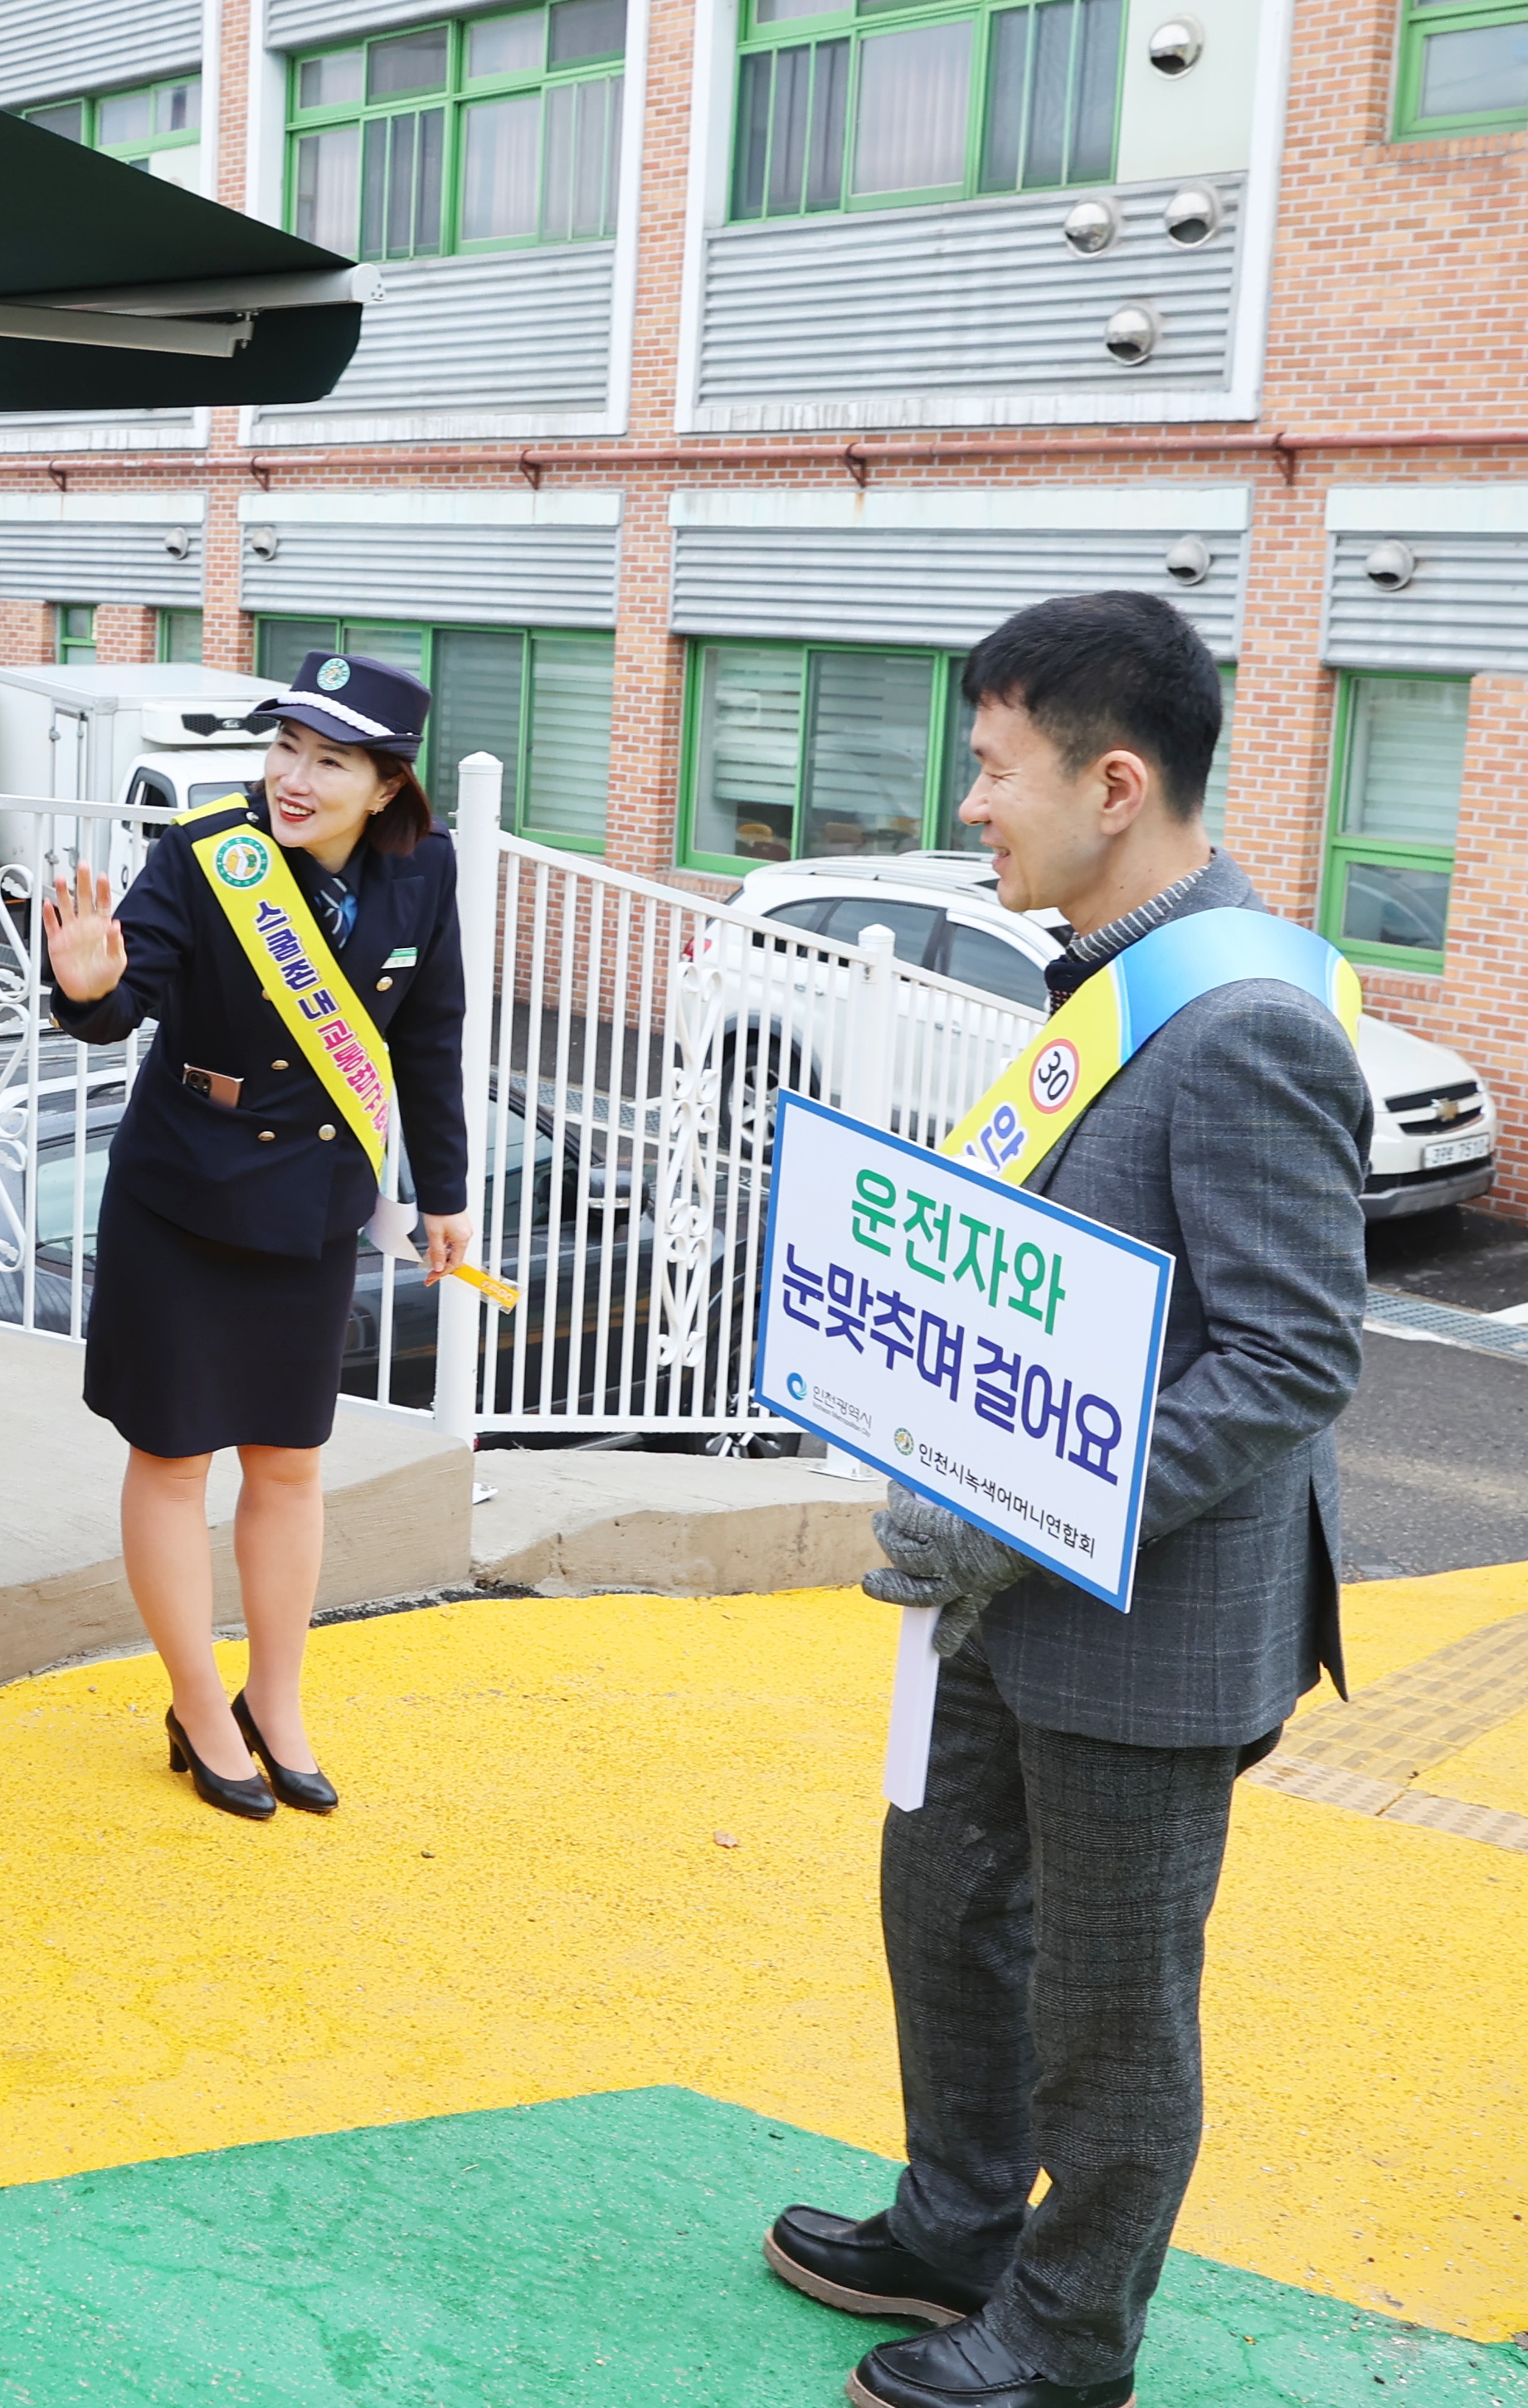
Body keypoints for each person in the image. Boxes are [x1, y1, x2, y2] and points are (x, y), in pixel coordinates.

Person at [759, 592, 1369, 2408]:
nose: (967, 804)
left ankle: (1068, 2333)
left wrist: (1013, 1511)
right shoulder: (1106, 977)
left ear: (1114, 784)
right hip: (1005, 1575)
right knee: (944, 1899)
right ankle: (957, 2221)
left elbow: (1287, 1360)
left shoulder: (1241, 1018)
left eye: (990, 767)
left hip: (1145, 1614)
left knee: (1111, 2000)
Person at [40, 651, 470, 1820]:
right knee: (173, 1456)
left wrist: (443, 1191)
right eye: (285, 746)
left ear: (386, 785)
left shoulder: (422, 869)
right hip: (184, 1192)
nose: (293, 776)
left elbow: (428, 1035)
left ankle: (274, 1700)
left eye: (329, 760)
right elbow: (123, 994)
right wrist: (87, 990)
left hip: (311, 1203)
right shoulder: (206, 853)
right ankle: (197, 1703)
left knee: (287, 1459)